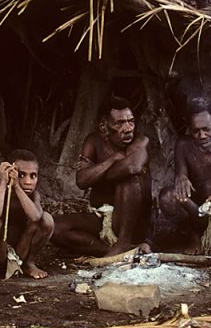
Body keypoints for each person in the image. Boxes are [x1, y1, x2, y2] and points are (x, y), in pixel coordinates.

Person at [50, 97, 152, 257]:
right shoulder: (93, 141)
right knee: (54, 227)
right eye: (120, 123)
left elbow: (133, 167)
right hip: (100, 216)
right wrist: (111, 160)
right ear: (103, 127)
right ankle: (115, 251)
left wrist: (95, 173)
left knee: (130, 178)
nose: (128, 128)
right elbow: (81, 181)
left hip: (133, 224)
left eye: (131, 121)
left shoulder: (140, 141)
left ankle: (123, 243)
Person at [157, 96, 211, 253]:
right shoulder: (183, 145)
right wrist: (180, 178)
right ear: (189, 129)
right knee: (168, 197)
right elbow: (181, 176)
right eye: (195, 131)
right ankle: (195, 237)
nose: (202, 135)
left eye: (206, 129)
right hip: (198, 213)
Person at [0, 150, 54, 282]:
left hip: (20, 252)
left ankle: (29, 264)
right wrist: (3, 182)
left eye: (33, 176)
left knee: (46, 219)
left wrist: (17, 187)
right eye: (21, 175)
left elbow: (35, 217)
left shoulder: (34, 196)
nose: (28, 182)